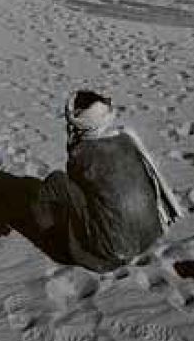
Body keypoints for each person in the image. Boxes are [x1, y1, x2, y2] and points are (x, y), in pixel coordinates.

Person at [31, 89, 184, 272]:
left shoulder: (82, 153)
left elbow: (77, 184)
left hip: (114, 249)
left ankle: (51, 238)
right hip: (149, 236)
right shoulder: (126, 138)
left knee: (57, 182)